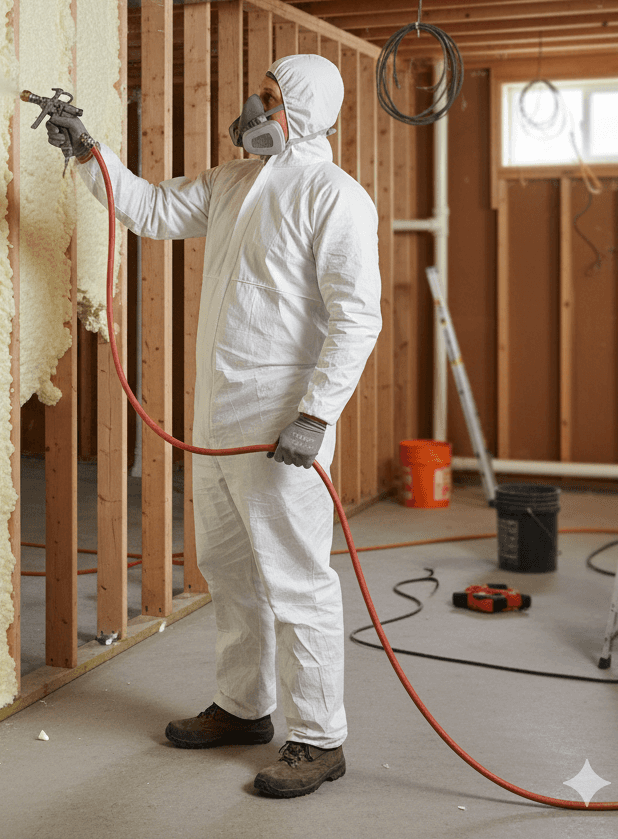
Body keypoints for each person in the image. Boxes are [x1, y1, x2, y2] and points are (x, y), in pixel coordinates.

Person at [46, 53, 381, 799]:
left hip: (281, 427)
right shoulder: (233, 182)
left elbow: (358, 318)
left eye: (268, 98)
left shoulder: (335, 197)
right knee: (229, 572)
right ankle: (242, 707)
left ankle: (321, 738)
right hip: (218, 416)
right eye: (255, 94)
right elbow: (155, 209)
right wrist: (89, 152)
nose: (252, 109)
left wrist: (316, 414)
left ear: (303, 109)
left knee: (297, 582)